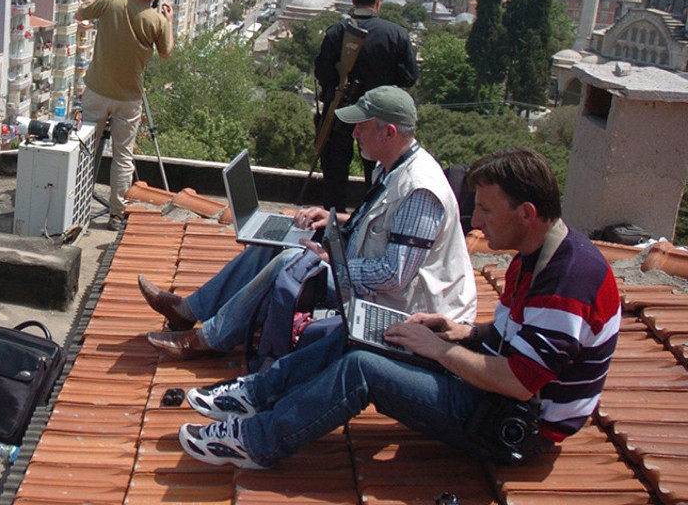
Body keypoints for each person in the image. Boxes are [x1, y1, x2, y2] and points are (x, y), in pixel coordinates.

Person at [175, 148, 620, 470]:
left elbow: (520, 383)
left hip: (511, 424)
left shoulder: (569, 280)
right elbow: (513, 339)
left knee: (363, 368)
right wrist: (461, 332)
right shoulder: (537, 255)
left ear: (526, 213)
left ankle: (257, 442)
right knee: (364, 332)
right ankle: (255, 395)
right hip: (495, 392)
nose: (476, 221)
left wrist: (440, 351)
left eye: (485, 209)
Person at [142, 86, 475, 360]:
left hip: (407, 309)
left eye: (362, 126)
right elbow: (385, 226)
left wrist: (330, 262)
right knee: (278, 243)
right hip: (376, 282)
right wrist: (333, 219)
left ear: (389, 132)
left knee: (292, 261)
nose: (355, 133)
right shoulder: (393, 166)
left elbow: (393, 276)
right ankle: (188, 310)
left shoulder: (420, 188)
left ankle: (207, 339)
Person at [76, 0, 176, 230]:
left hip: (97, 90)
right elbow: (166, 53)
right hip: (129, 98)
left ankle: (75, 207)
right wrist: (169, 20)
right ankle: (116, 214)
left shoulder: (111, 2)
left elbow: (81, 12)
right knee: (122, 157)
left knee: (85, 151)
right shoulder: (155, 20)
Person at [315, 0, 418, 211]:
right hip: (380, 118)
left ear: (353, 0)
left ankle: (331, 227)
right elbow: (409, 78)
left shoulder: (337, 32)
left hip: (339, 113)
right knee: (378, 175)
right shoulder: (397, 35)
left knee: (335, 176)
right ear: (379, 1)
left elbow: (322, 73)